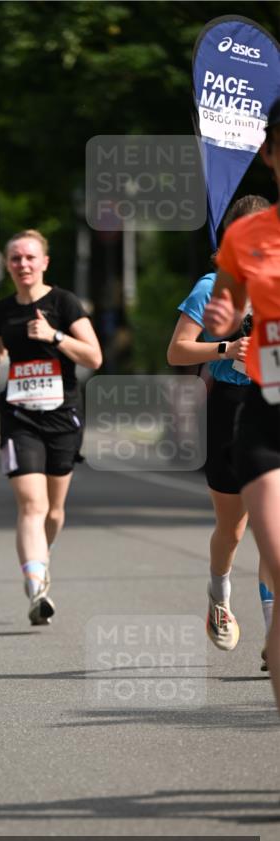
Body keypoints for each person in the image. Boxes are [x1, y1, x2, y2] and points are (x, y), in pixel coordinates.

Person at [167, 195, 273, 666]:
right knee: (233, 527)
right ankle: (219, 592)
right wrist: (227, 347)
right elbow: (178, 352)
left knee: (274, 529)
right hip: (228, 408)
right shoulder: (211, 288)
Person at [203, 97, 280, 708]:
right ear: (269, 153)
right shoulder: (248, 237)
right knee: (270, 554)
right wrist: (227, 319)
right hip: (264, 414)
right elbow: (220, 314)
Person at [0, 229, 102, 625]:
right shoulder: (2, 311)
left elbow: (94, 356)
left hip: (61, 417)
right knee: (31, 505)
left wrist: (54, 335)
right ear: (8, 265)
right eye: (15, 258)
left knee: (54, 511)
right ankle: (36, 586)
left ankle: (41, 560)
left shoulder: (63, 303)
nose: (23, 264)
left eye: (30, 258)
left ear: (44, 262)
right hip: (19, 417)